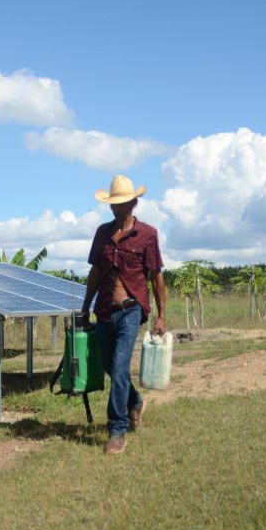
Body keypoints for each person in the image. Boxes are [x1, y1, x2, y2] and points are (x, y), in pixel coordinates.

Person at [81, 175, 167, 455]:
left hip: (131, 310)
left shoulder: (148, 234)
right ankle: (136, 401)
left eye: (124, 204)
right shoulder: (102, 233)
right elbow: (95, 273)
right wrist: (85, 308)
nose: (118, 209)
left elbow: (156, 276)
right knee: (109, 366)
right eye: (114, 205)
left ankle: (117, 430)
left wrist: (161, 316)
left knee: (119, 367)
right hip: (104, 311)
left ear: (134, 202)